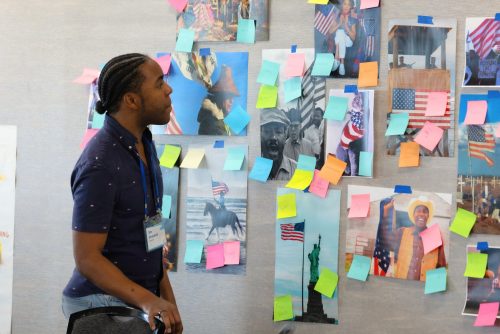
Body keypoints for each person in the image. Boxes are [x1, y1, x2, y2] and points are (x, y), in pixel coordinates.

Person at [62, 53, 182, 333]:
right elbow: (87, 259)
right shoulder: (100, 163)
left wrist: (167, 301)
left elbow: (150, 235)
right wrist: (149, 302)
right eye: (159, 83)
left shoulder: (145, 143)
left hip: (136, 300)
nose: (169, 89)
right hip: (100, 305)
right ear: (131, 100)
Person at [378, 196, 446, 281]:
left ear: (428, 216)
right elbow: (386, 239)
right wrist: (385, 211)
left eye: (425, 212)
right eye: (418, 211)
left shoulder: (436, 237)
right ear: (413, 215)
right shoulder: (402, 232)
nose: (421, 214)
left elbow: (441, 267)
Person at [197, 65, 239, 135]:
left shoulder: (227, 120)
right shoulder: (209, 122)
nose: (232, 101)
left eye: (233, 97)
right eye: (229, 97)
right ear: (220, 97)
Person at [261, 108, 296, 180]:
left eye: (278, 131)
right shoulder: (251, 171)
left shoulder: (298, 171)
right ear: (259, 135)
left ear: (285, 135)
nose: (273, 137)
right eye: (267, 131)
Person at [329, 0, 356, 76]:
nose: (346, 6)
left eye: (348, 5)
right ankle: (341, 64)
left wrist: (346, 25)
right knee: (339, 33)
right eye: (345, 4)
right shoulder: (337, 16)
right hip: (340, 40)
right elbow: (330, 31)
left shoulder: (352, 18)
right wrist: (339, 24)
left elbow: (353, 38)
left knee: (340, 33)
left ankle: (337, 59)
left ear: (351, 7)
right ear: (342, 5)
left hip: (348, 42)